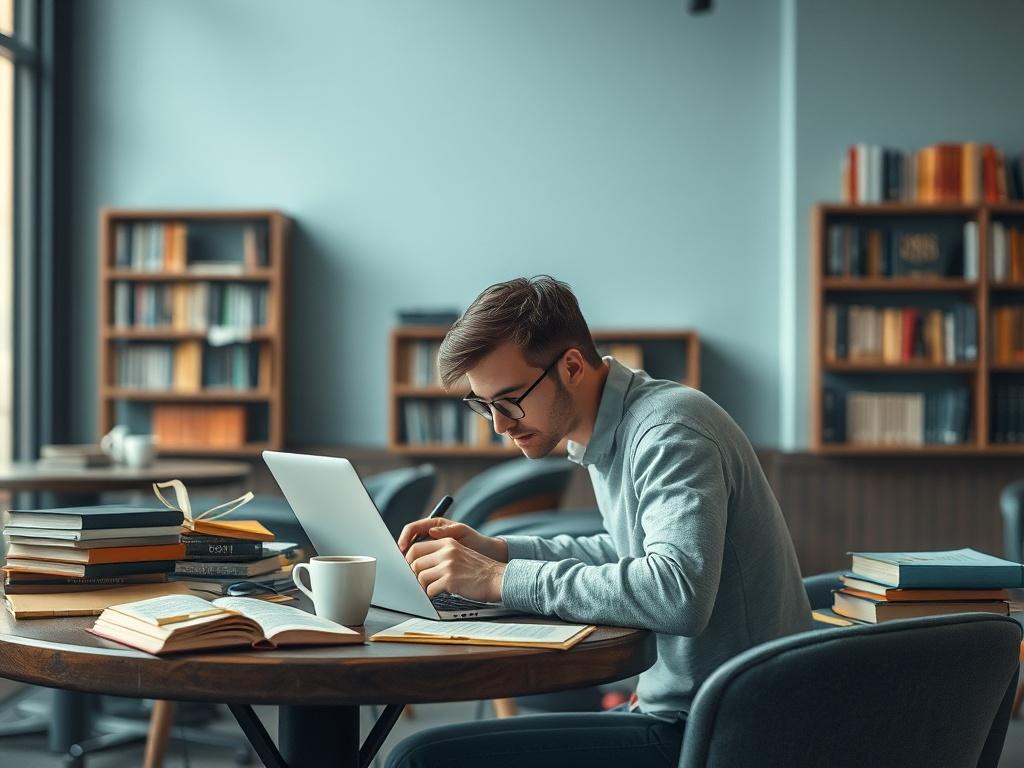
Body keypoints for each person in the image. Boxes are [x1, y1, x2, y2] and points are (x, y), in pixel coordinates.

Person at [387, 276, 811, 768]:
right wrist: (498, 552)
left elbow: (677, 593)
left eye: (508, 400)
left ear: (570, 366)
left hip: (732, 730)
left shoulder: (668, 432)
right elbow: (625, 552)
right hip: (691, 711)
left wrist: (499, 580)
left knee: (419, 756)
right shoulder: (619, 431)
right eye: (484, 406)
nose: (500, 424)